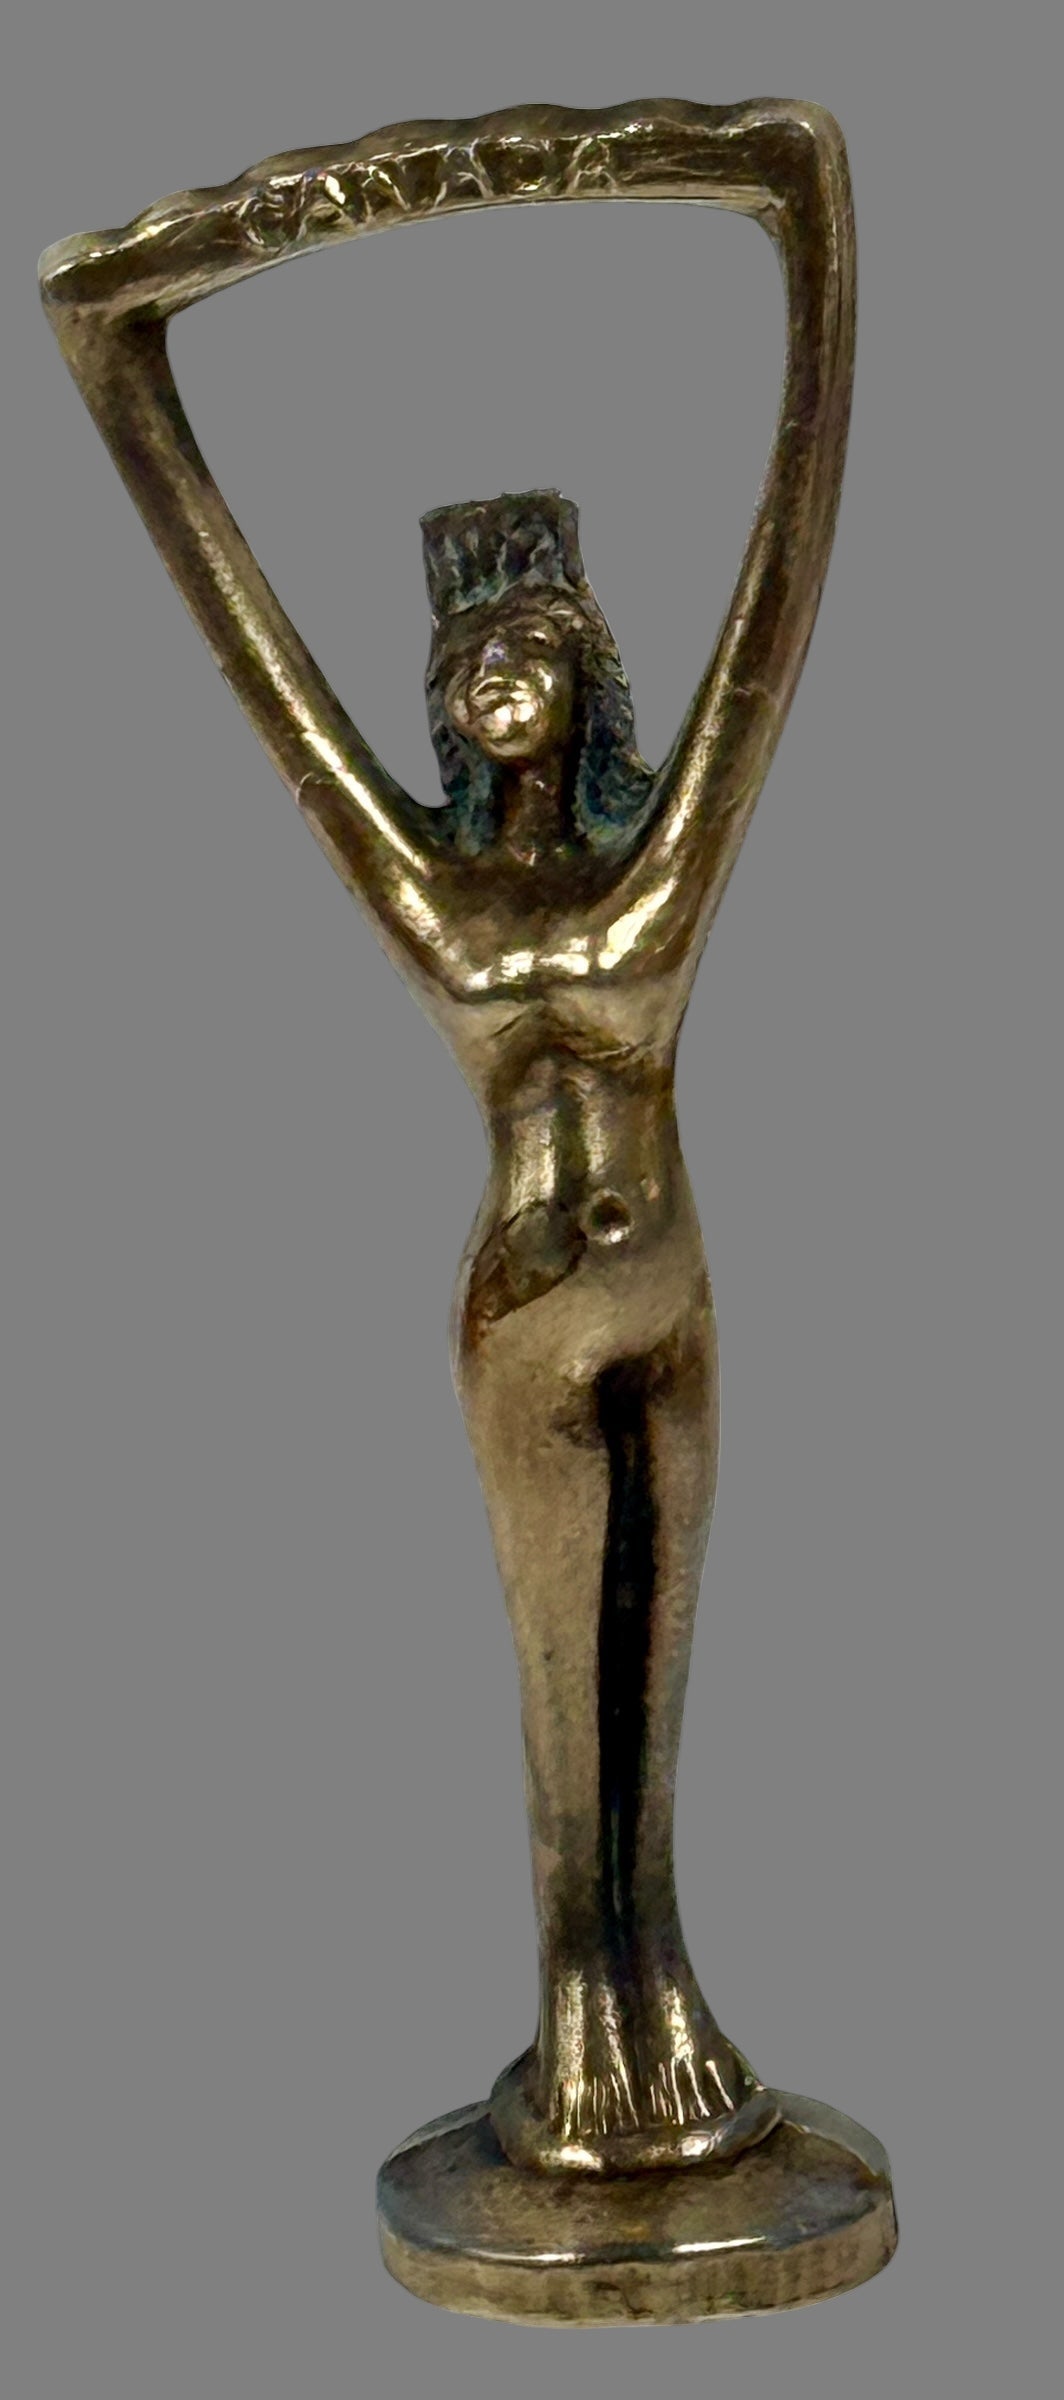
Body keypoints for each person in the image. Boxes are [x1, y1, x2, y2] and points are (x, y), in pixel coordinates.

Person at [40, 99, 855, 2171]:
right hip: (525, 1312)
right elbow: (260, 659)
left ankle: (665, 2026)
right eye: (466, 658)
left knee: (657, 1690)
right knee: (560, 1695)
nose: (498, 679)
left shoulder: (666, 850)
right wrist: (118, 351)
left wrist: (797, 206)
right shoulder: (433, 886)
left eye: (530, 650)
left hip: (670, 1293)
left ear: (584, 671)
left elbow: (774, 598)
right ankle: (583, 2043)